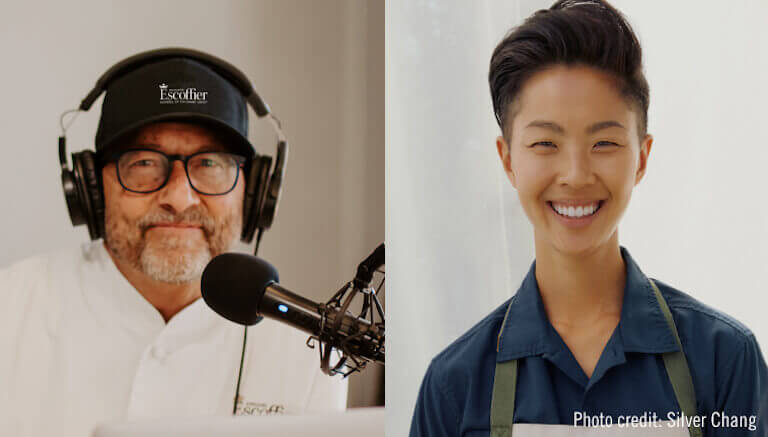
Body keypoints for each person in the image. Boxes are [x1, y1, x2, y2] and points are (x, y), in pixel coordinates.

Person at [409, 1, 767, 436]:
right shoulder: (454, 387)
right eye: (545, 143)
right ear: (508, 160)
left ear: (642, 158)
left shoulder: (724, 359)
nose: (576, 176)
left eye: (604, 143)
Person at [0, 50, 346, 437]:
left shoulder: (308, 353)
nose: (180, 198)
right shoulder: (10, 311)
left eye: (211, 163)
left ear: (257, 191)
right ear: (91, 187)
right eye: (144, 163)